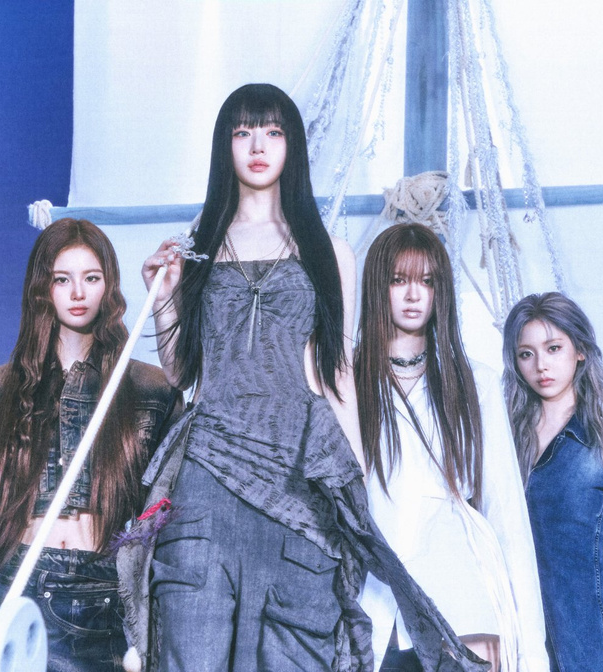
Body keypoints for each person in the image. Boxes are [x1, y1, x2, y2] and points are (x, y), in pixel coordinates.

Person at [126, 83, 485, 672]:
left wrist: (354, 480)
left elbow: (334, 372)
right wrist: (162, 299)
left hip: (298, 469)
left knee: (296, 644)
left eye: (272, 132)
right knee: (192, 640)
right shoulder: (195, 248)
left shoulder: (328, 251)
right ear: (224, 147)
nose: (257, 146)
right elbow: (183, 372)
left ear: (291, 146)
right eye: (243, 132)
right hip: (208, 469)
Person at [0, 218, 182, 672]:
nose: (78, 293)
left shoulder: (154, 390)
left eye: (92, 278)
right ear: (41, 289)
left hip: (106, 602)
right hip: (10, 591)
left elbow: (170, 517)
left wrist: (165, 305)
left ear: (110, 286)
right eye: (62, 279)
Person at [354, 224, 549, 671]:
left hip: (461, 600)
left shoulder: (475, 382)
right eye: (398, 280)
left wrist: (532, 653)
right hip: (373, 602)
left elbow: (506, 513)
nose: (413, 295)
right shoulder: (348, 381)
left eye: (427, 281)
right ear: (378, 286)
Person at [501, 292, 603, 672]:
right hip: (512, 643)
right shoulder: (499, 445)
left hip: (585, 651)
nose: (541, 365)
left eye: (553, 348)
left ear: (581, 351)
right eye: (526, 354)